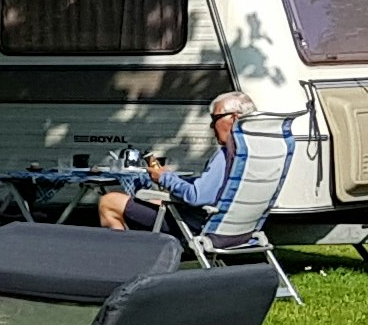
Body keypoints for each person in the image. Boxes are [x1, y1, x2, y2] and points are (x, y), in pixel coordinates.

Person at [100, 91, 256, 232]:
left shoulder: (227, 154)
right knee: (154, 200)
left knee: (109, 201)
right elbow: (216, 188)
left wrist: (164, 178)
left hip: (199, 226)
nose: (211, 126)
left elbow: (197, 196)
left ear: (234, 118)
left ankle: (119, 260)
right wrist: (175, 179)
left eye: (215, 118)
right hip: (240, 230)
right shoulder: (256, 154)